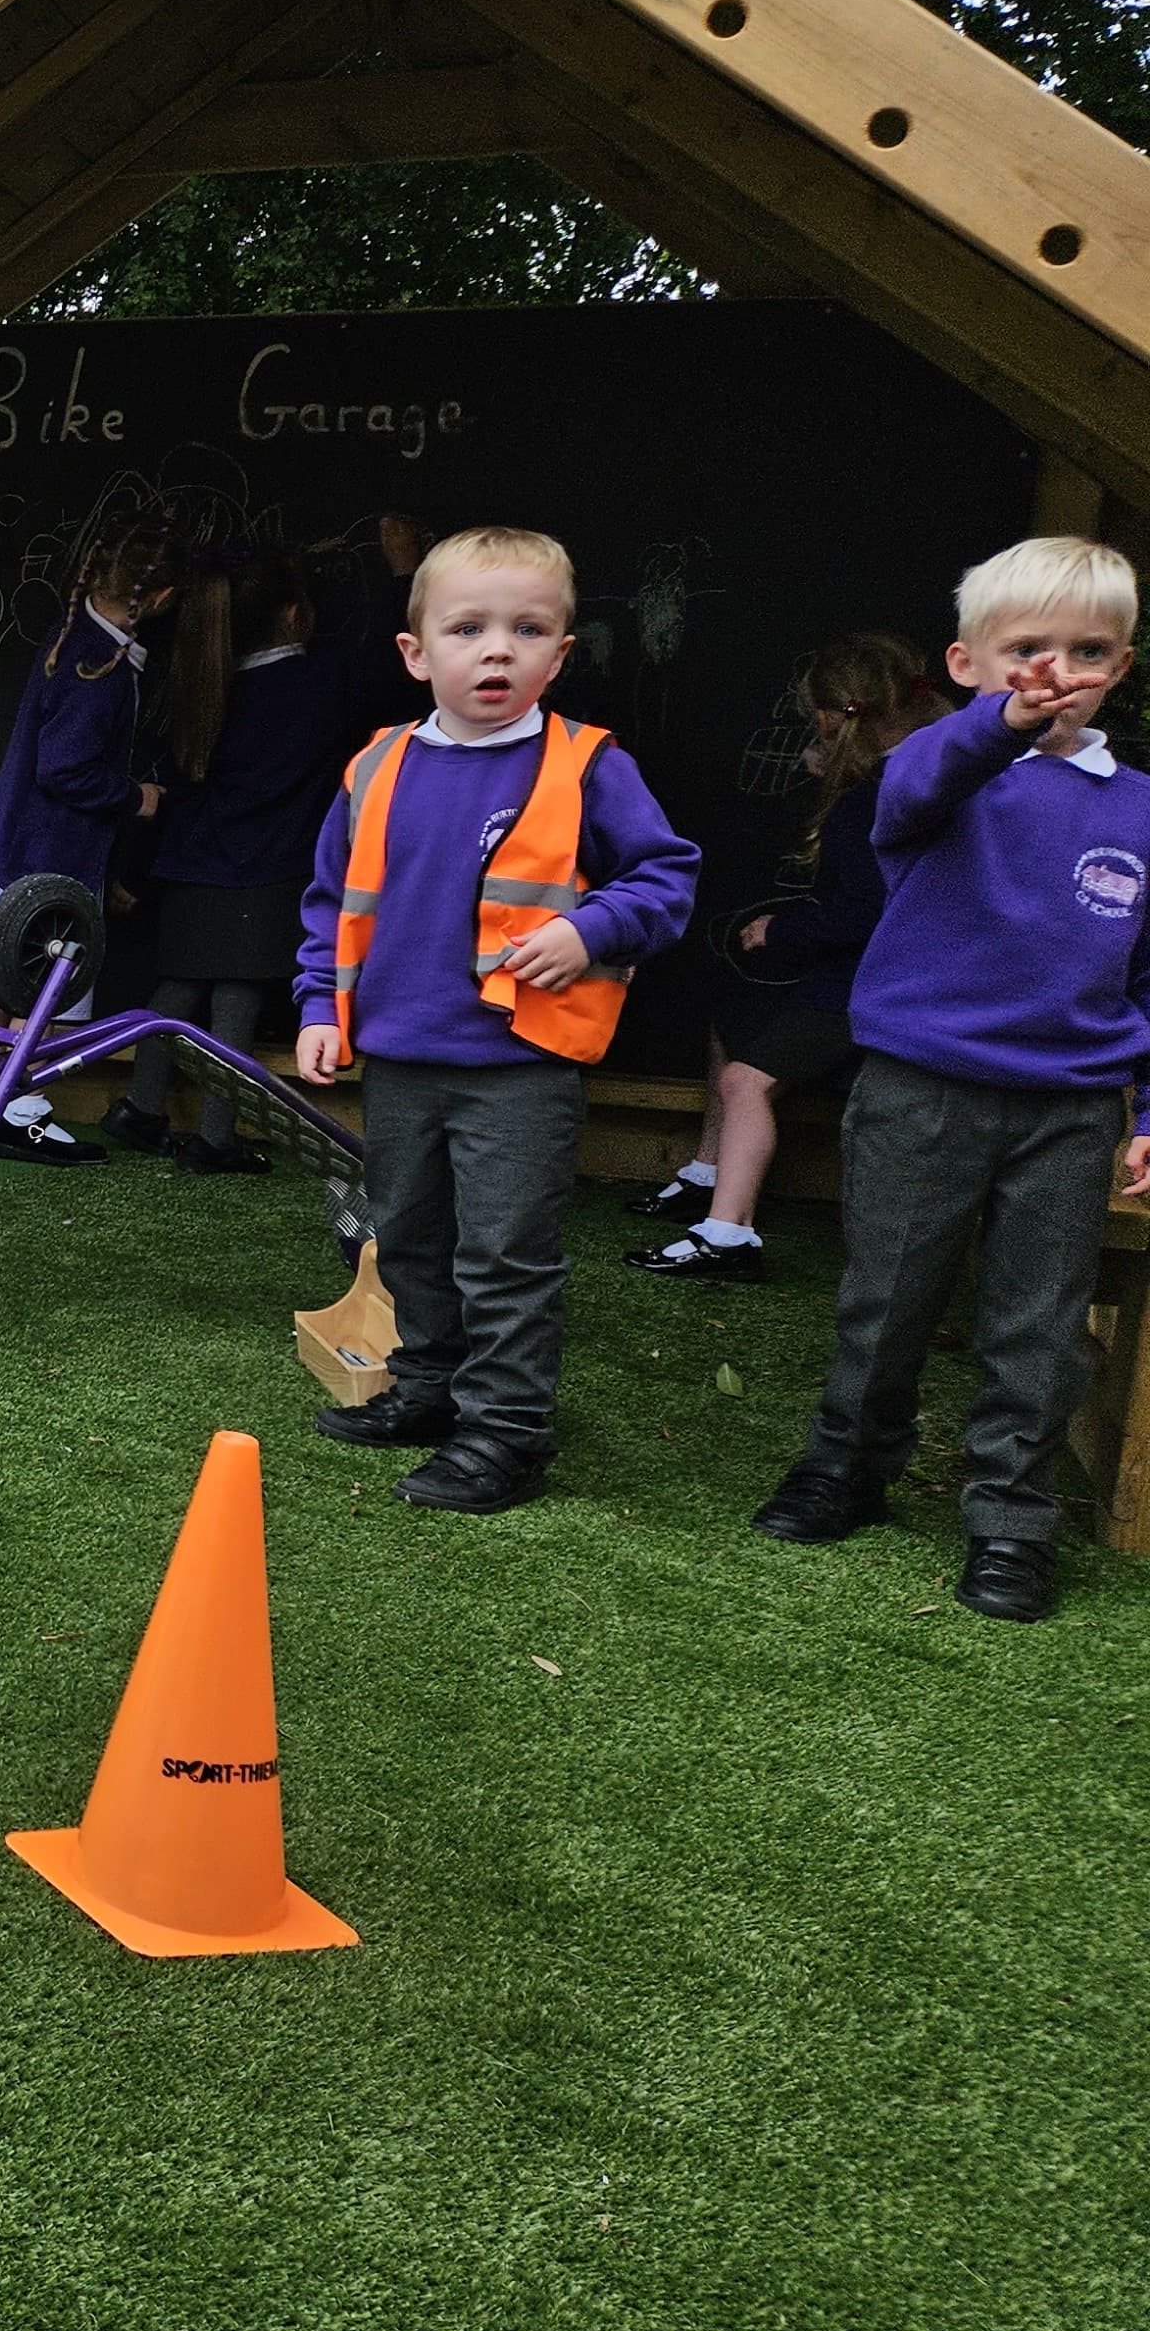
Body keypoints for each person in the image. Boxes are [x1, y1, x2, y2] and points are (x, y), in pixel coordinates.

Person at [751, 538, 1150, 1620]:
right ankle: (846, 1465)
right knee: (886, 1297)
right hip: (923, 1085)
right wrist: (996, 728)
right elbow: (912, 789)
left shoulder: (1140, 809)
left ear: (1119, 664)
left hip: (1070, 1107)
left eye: (1087, 649)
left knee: (1038, 1319)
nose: (1056, 671)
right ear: (964, 664)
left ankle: (1011, 1519)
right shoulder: (930, 775)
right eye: (1025, 650)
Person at [293, 526, 699, 1515]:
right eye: (467, 628)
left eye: (526, 630)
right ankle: (429, 1390)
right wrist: (315, 1004)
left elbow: (666, 877)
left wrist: (591, 930)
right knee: (409, 1238)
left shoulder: (590, 765)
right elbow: (327, 897)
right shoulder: (374, 766)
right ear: (415, 651)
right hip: (396, 1059)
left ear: (560, 654)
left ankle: (505, 1435)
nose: (495, 650)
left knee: (505, 1255)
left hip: (520, 1063)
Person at [627, 633, 940, 1279]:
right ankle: (706, 1176)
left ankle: (727, 1234)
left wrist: (785, 930)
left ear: (833, 716)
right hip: (864, 971)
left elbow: (875, 911)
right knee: (733, 1017)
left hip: (878, 984)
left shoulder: (877, 796)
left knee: (746, 1081)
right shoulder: (923, 758)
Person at [99, 543, 361, 1173]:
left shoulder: (198, 683)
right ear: (295, 615)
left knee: (178, 986)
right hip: (265, 869)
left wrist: (133, 868)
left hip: (188, 864)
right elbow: (394, 660)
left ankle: (140, 1107)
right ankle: (214, 1140)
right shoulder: (317, 684)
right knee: (237, 999)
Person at [0, 524, 173, 1163]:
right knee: (46, 993)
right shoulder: (100, 670)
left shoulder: (73, 639)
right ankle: (19, 1112)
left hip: (27, 847)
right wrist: (133, 797)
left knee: (11, 990)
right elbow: (64, 770)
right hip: (54, 861)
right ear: (161, 597)